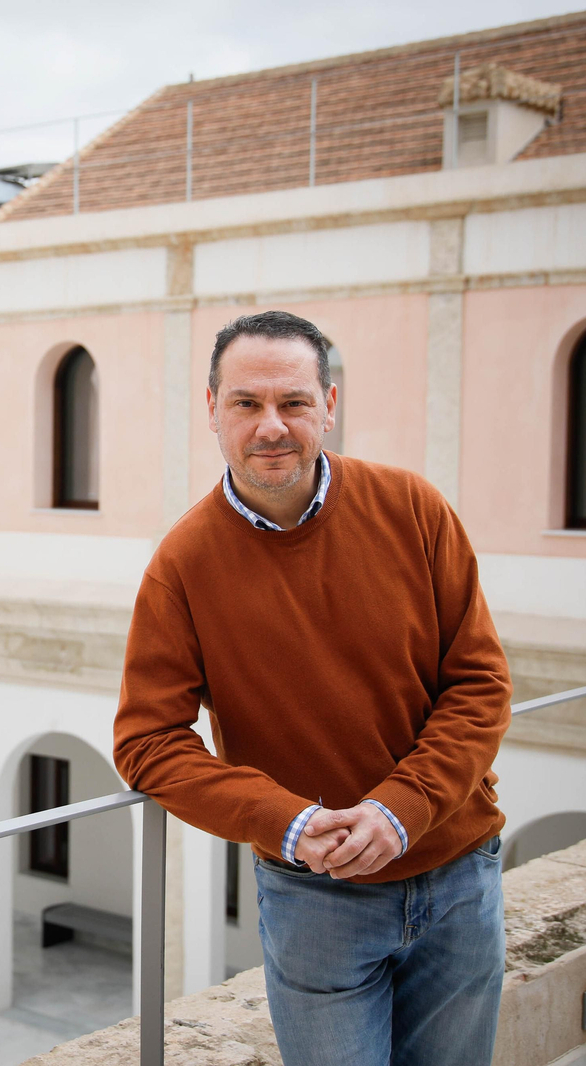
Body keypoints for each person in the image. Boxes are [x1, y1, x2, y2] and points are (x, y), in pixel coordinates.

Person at [113, 310, 511, 1066]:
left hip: (459, 873)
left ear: (329, 405)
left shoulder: (414, 510)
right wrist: (288, 822)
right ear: (211, 411)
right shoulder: (183, 565)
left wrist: (401, 811)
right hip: (315, 897)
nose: (272, 426)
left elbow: (481, 683)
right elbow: (147, 743)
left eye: (293, 402)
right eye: (246, 403)